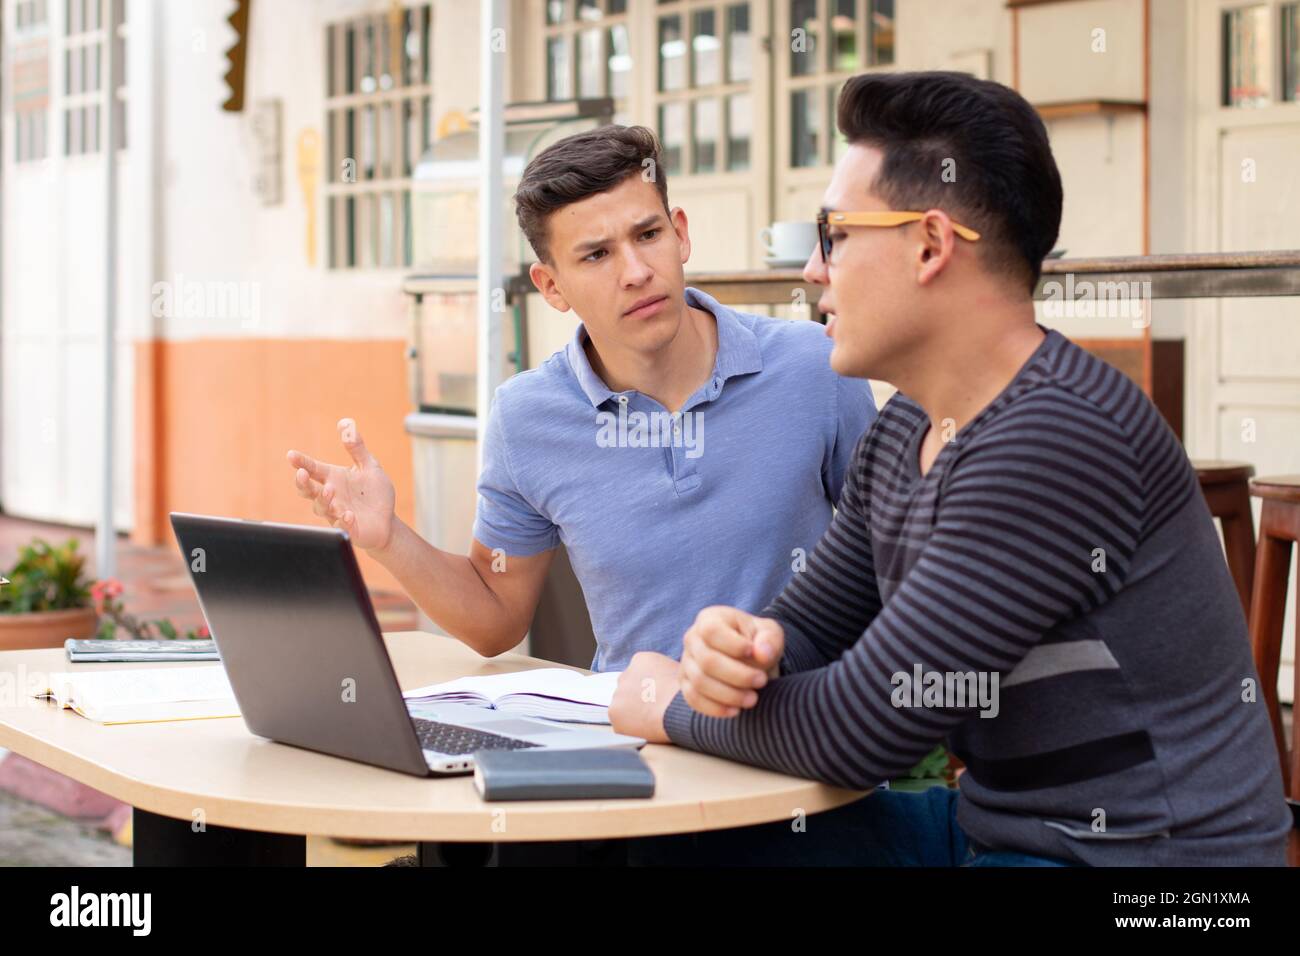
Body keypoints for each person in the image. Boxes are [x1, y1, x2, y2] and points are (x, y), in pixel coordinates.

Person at [610, 71, 1292, 866]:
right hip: (991, 834)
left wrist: (675, 705)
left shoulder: (1055, 438)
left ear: (930, 244)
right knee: (681, 844)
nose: (812, 272)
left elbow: (859, 729)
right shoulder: (908, 425)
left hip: (1151, 872)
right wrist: (735, 654)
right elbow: (807, 636)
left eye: (833, 236)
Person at [286, 125, 876, 672]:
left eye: (648, 235)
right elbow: (495, 615)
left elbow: (888, 569)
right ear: (551, 287)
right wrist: (389, 537)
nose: (637, 271)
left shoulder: (816, 368)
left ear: (681, 233)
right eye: (596, 255)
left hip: (801, 742)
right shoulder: (526, 419)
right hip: (635, 752)